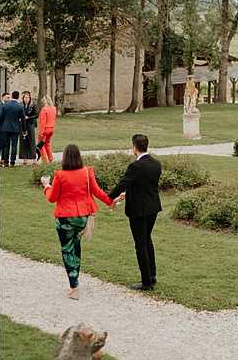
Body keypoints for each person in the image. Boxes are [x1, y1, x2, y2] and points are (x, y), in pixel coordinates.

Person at [41, 143, 113, 298]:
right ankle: (76, 278)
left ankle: (74, 285)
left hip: (65, 217)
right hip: (83, 216)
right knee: (76, 245)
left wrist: (47, 186)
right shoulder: (87, 172)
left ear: (65, 158)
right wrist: (110, 201)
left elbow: (52, 198)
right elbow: (97, 191)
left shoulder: (60, 175)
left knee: (67, 249)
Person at [108, 134, 162, 291]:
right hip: (153, 208)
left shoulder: (135, 167)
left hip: (139, 210)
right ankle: (152, 275)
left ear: (134, 147)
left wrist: (108, 197)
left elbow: (123, 183)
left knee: (140, 245)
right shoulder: (156, 164)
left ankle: (146, 282)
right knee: (147, 240)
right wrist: (127, 194)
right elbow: (144, 185)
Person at [0, 91, 25, 167]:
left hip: (5, 128)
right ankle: (12, 162)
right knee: (14, 146)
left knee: (6, 146)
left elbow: (1, 117)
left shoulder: (5, 105)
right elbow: (23, 119)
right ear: (18, 96)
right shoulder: (20, 106)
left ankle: (6, 162)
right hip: (15, 128)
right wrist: (24, 130)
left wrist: (2, 125)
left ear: (12, 96)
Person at [19, 91, 38, 165]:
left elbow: (36, 115)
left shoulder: (32, 105)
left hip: (30, 125)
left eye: (28, 97)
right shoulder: (21, 106)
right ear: (23, 98)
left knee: (31, 141)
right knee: (23, 141)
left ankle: (34, 158)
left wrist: (28, 117)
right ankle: (24, 158)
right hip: (22, 125)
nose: (26, 99)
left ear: (30, 98)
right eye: (25, 97)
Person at [38, 95, 57, 163]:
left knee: (41, 145)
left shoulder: (44, 109)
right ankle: (50, 158)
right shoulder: (54, 108)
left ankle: (45, 160)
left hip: (45, 129)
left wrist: (41, 132)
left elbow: (43, 122)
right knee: (47, 144)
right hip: (51, 128)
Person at [0, 93, 11, 167]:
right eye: (7, 97)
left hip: (6, 129)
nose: (8, 99)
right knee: (0, 144)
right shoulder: (0, 106)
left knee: (4, 145)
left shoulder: (8, 106)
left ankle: (3, 160)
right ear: (3, 97)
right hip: (1, 128)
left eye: (9, 98)